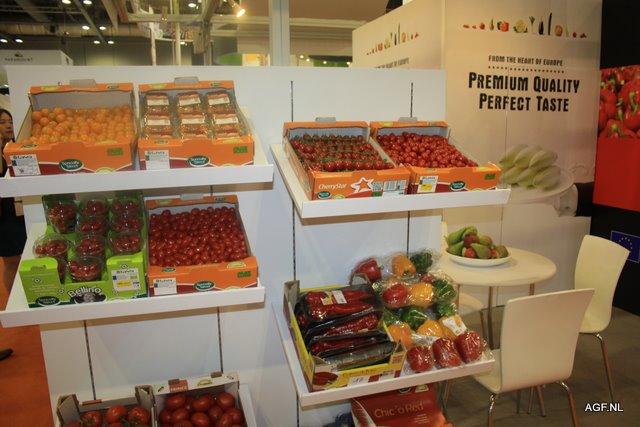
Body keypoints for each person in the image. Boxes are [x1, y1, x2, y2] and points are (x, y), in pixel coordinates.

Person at [1, 108, 27, 361]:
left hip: (20, 214)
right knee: (10, 260)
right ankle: (14, 300)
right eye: (2, 122)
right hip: (5, 217)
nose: (8, 126)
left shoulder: (17, 147)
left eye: (10, 121)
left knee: (22, 257)